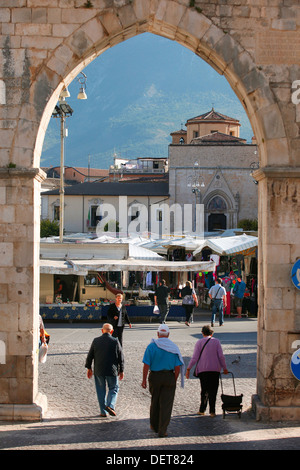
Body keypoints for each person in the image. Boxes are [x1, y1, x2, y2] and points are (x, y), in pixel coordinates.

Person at [142, 324, 184, 437]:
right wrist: (174, 379)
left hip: (155, 376)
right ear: (168, 334)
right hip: (169, 376)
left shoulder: (151, 346)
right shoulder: (173, 347)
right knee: (166, 404)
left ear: (158, 334)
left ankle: (154, 425)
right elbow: (177, 367)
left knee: (155, 400)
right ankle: (163, 429)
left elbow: (146, 364)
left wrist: (144, 380)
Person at [186, 325, 228, 417]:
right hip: (215, 370)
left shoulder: (199, 342)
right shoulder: (216, 342)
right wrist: (224, 368)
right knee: (213, 390)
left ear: (202, 333)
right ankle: (212, 411)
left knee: (204, 390)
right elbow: (221, 357)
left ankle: (202, 409)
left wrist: (188, 368)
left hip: (203, 370)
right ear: (211, 333)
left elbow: (194, 358)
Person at [85, 323, 124, 417]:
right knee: (114, 388)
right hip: (112, 370)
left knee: (100, 390)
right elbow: (121, 357)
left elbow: (90, 355)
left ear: (102, 330)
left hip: (99, 369)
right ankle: (110, 405)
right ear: (112, 331)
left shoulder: (96, 341)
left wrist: (89, 368)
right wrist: (121, 370)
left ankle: (103, 412)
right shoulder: (115, 341)